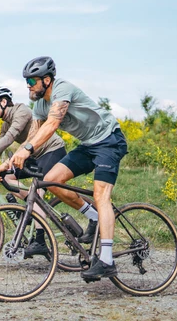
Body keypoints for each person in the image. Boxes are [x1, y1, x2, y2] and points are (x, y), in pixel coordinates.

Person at [9, 56, 127, 281]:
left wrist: (28, 149)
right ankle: (93, 217)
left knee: (101, 195)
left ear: (46, 79)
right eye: (26, 81)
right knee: (53, 180)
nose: (28, 85)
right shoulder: (40, 104)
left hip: (109, 141)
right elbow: (33, 136)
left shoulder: (62, 90)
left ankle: (107, 261)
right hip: (88, 146)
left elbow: (52, 124)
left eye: (32, 80)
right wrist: (14, 159)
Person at [0, 85, 67, 256]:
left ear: (4, 102)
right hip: (32, 155)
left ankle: (40, 240)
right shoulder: (5, 124)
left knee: (38, 190)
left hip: (52, 151)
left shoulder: (22, 112)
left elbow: (9, 138)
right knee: (5, 177)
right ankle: (31, 207)